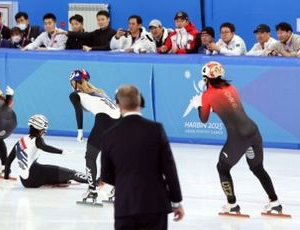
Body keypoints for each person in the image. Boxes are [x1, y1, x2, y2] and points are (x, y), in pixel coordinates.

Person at [190, 61, 283, 215]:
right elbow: (229, 109)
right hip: (253, 132)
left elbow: (204, 119)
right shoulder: (231, 88)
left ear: (206, 78)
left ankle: (232, 204)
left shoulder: (207, 95)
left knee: (222, 168)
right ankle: (275, 202)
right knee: (257, 168)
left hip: (238, 138)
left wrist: (198, 105)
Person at [101, 85, 184, 229]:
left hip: (125, 206)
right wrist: (176, 201)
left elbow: (107, 176)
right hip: (155, 205)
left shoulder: (109, 135)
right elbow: (169, 169)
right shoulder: (156, 129)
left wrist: (125, 181)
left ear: (118, 105)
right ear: (141, 103)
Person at [68, 68, 120, 202]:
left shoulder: (75, 95)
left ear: (74, 82)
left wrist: (80, 131)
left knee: (90, 157)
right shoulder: (100, 93)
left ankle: (92, 191)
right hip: (120, 121)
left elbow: (78, 111)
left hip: (104, 122)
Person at [4, 114, 89, 187]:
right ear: (41, 128)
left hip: (25, 181)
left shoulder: (21, 140)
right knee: (71, 173)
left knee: (51, 172)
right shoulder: (37, 139)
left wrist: (6, 177)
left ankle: (59, 180)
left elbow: (8, 161)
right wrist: (63, 152)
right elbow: (45, 147)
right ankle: (94, 181)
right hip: (35, 176)